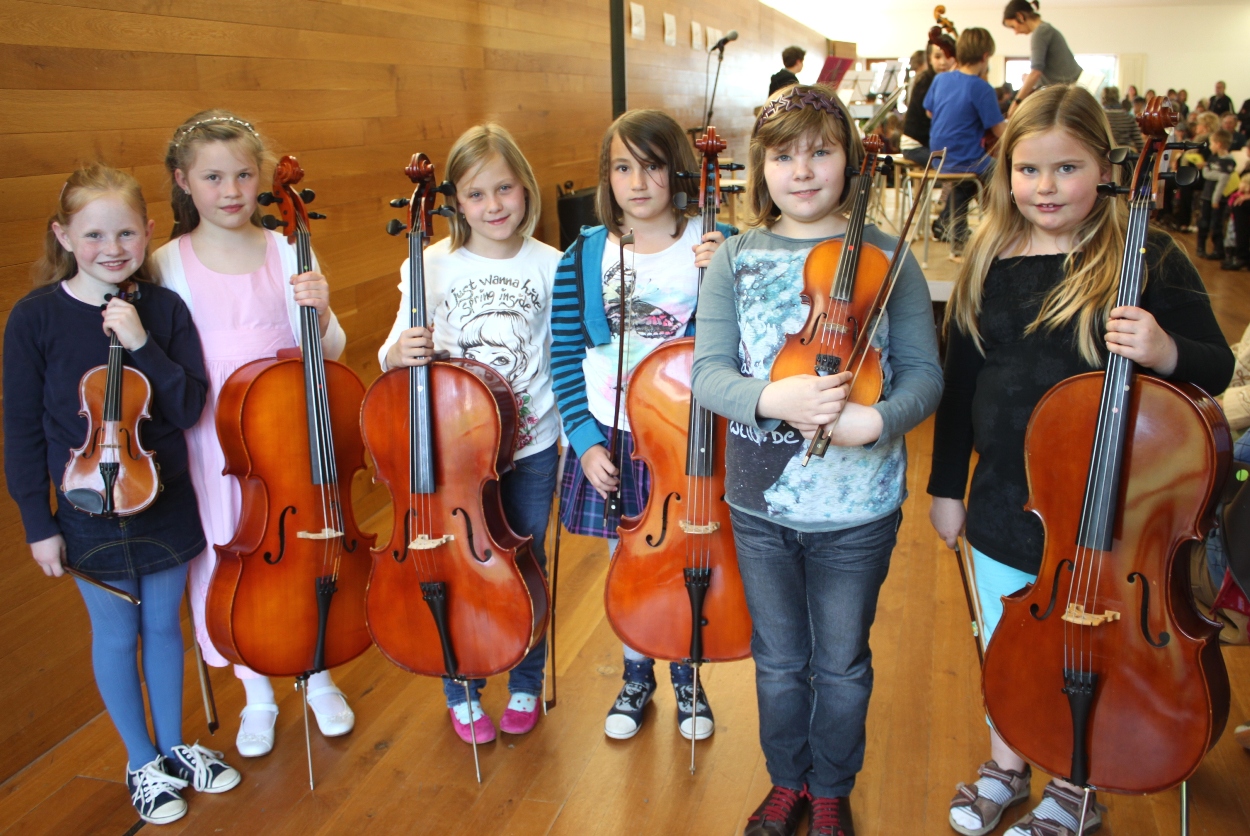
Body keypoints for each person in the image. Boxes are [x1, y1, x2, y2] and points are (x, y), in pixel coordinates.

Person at [927, 85, 1233, 836]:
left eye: (1067, 168)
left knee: (1089, 648)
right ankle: (1007, 763)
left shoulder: (1145, 254)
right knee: (1009, 644)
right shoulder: (989, 257)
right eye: (1028, 170)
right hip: (1003, 497)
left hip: (1108, 513)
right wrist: (945, 486)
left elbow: (1217, 365)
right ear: (1006, 173)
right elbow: (961, 385)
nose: (1045, 187)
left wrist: (1165, 349)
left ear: (1106, 168)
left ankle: (1073, 786)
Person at [691, 82, 942, 836]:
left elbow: (925, 376)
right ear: (760, 168)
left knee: (841, 663)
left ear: (850, 161)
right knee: (777, 660)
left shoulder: (890, 257)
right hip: (758, 504)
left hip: (859, 508)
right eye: (783, 157)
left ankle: (830, 786)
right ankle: (785, 781)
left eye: (821, 152)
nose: (801, 172)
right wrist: (775, 398)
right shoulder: (735, 258)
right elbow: (708, 374)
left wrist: (878, 420)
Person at [4, 165, 239, 825]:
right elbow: (21, 429)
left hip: (162, 497)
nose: (112, 248)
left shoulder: (162, 310)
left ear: (149, 231)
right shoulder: (35, 318)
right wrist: (37, 522)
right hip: (86, 506)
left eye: (127, 233)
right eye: (94, 235)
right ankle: (141, 762)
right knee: (115, 633)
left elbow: (188, 406)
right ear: (62, 236)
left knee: (164, 627)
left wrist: (141, 343)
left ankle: (173, 748)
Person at [152, 110, 355, 759]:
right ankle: (256, 690)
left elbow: (331, 349)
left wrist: (322, 308)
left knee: (303, 547)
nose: (232, 190)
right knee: (232, 554)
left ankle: (316, 669)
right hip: (214, 442)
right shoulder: (166, 264)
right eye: (213, 177)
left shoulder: (287, 248)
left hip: (290, 435)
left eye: (243, 174)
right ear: (183, 181)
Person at [376, 123, 561, 742]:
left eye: (504, 188)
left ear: (525, 187)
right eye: (477, 194)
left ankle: (527, 679)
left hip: (531, 445)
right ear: (455, 201)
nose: (494, 205)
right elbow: (390, 352)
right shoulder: (431, 263)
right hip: (456, 453)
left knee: (524, 564)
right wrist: (399, 351)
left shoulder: (551, 264)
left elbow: (559, 356)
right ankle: (462, 687)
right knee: (458, 567)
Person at [550, 109, 730, 742]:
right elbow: (565, 352)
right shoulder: (584, 255)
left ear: (678, 171)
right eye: (623, 167)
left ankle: (687, 672)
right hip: (613, 433)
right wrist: (584, 439)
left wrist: (729, 270)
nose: (638, 182)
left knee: (688, 556)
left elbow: (746, 341)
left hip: (689, 437)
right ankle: (635, 673)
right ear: (607, 177)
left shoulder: (714, 241)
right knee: (628, 559)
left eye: (652, 166)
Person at [925, 28, 1006, 257]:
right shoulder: (981, 87)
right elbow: (999, 130)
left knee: (966, 180)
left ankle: (957, 232)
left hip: (938, 158)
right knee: (1003, 170)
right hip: (965, 159)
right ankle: (1001, 228)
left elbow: (930, 113)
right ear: (985, 57)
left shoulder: (940, 79)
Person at [1002, 0, 1081, 116]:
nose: (1016, 32)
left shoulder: (1040, 32)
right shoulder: (1047, 29)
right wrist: (1028, 78)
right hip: (1075, 87)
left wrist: (1016, 102)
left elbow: (1036, 72)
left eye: (1013, 26)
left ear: (1020, 16)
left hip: (1071, 92)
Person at [902, 33, 955, 166]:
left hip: (931, 144)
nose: (943, 62)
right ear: (929, 59)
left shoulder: (950, 80)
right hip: (916, 146)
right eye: (937, 57)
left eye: (948, 56)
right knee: (956, 164)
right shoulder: (925, 82)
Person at [1196, 129, 1239, 261]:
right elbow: (1208, 174)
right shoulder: (1212, 157)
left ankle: (1218, 250)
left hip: (1219, 199)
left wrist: (1216, 198)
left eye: (1211, 143)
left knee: (1216, 225)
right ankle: (1200, 247)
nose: (1210, 146)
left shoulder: (1229, 161)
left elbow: (1223, 179)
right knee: (1203, 222)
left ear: (1219, 144)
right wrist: (1215, 174)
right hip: (1207, 195)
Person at [1101, 85, 1143, 151]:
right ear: (1118, 98)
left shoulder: (1100, 117)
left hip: (1106, 155)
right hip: (1126, 155)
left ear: (1103, 99)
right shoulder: (1129, 117)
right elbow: (1140, 145)